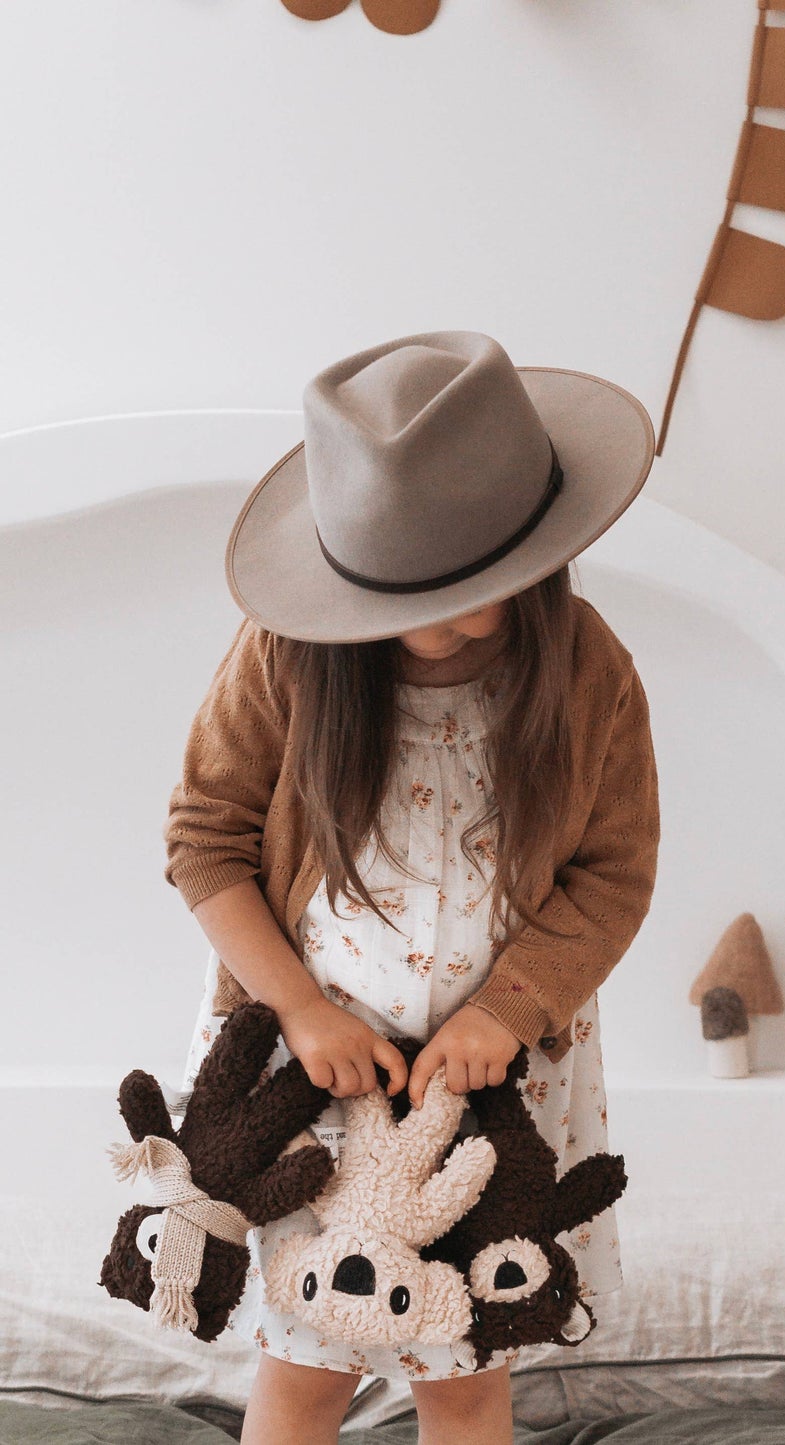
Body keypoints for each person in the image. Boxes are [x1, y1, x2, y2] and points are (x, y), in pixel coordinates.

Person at [161, 330, 661, 1445]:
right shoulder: (286, 652)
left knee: (465, 1369)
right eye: (406, 597)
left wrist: (504, 1012)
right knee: (304, 1364)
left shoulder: (589, 668)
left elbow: (613, 871)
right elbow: (205, 839)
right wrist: (300, 1009)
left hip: (498, 1084)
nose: (441, 624)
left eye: (474, 590)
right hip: (312, 1071)